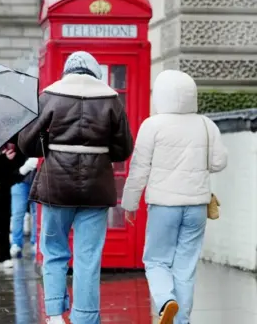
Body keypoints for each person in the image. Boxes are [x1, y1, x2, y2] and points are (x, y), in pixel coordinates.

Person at [18, 51, 134, 324]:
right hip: (96, 188)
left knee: (55, 251)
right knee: (88, 257)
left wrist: (48, 140)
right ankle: (85, 317)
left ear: (66, 71)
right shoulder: (111, 100)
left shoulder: (49, 96)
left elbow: (27, 143)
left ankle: (55, 314)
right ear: (96, 73)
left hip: (56, 185)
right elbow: (122, 149)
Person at [121, 70, 228, 324]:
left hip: (164, 206)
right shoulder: (206, 124)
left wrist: (130, 203)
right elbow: (219, 162)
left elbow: (139, 169)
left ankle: (166, 300)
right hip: (196, 206)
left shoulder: (152, 124)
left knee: (156, 260)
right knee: (185, 266)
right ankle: (181, 321)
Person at [0, 137, 27, 269]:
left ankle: (4, 256)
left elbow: (14, 173)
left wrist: (9, 160)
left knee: (4, 224)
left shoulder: (10, 148)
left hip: (4, 191)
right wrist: (4, 159)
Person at [10, 157, 39, 259]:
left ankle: (36, 241)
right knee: (18, 213)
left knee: (37, 214)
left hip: (38, 177)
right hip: (19, 178)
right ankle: (16, 243)